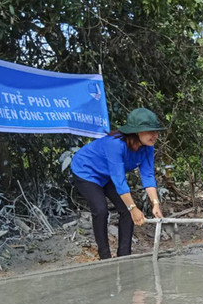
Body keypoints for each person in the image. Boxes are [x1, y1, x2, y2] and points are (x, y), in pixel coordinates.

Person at [70, 107, 165, 260]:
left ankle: (124, 257)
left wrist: (155, 203)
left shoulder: (147, 147)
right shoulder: (116, 145)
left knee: (126, 211)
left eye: (156, 131)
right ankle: (105, 258)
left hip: (108, 175)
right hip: (86, 171)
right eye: (150, 131)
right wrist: (133, 207)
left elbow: (147, 175)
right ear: (136, 132)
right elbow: (119, 180)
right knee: (101, 210)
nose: (155, 135)